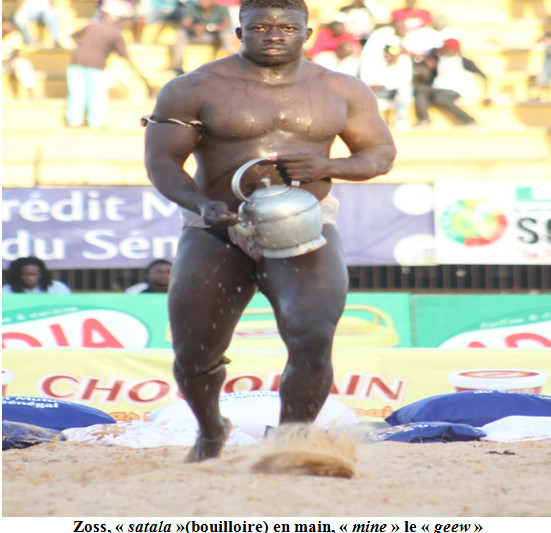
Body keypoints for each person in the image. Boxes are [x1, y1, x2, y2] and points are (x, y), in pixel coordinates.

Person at [143, 0, 396, 462]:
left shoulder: (342, 88)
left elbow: (379, 154)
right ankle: (210, 428)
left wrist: (329, 164)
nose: (273, 34)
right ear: (239, 33)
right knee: (194, 354)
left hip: (307, 225)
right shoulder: (194, 87)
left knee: (313, 338)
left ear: (307, 32)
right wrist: (201, 203)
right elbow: (161, 161)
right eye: (259, 26)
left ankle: (290, 444)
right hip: (216, 227)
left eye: (285, 26)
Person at [65, 0, 152, 128]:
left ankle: (73, 122)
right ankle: (96, 123)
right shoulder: (116, 34)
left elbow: (73, 36)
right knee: (97, 96)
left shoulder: (92, 26)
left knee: (77, 94)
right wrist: (143, 78)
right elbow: (126, 58)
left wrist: (82, 45)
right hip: (95, 68)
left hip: (76, 64)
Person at [413, 38, 491, 127]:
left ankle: (468, 119)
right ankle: (424, 120)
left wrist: (486, 95)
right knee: (421, 89)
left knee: (440, 98)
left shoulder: (464, 61)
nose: (443, 49)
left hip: (455, 89)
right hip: (437, 87)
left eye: (445, 47)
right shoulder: (440, 59)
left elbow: (484, 77)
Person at [172, 0, 234, 75]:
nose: (203, 2)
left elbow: (227, 25)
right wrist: (194, 27)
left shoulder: (221, 8)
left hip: (213, 36)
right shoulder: (192, 8)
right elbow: (185, 23)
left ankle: (231, 62)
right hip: (196, 36)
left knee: (225, 34)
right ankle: (179, 65)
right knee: (181, 33)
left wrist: (210, 27)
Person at [2, 19, 39, 99]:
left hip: (9, 62)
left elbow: (16, 52)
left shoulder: (14, 35)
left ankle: (31, 91)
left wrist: (7, 61)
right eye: (5, 25)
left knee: (23, 63)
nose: (8, 27)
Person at [2, 256, 71, 294]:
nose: (30, 278)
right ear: (18, 275)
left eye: (34, 274)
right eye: (26, 274)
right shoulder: (6, 291)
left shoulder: (58, 288)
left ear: (42, 274)